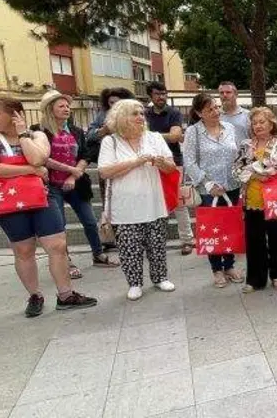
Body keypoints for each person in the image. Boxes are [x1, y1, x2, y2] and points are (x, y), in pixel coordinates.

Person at [0, 96, 98, 317]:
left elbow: (38, 158)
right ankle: (35, 295)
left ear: (15, 114)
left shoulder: (37, 135)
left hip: (42, 197)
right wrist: (30, 171)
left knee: (57, 245)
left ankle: (66, 295)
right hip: (10, 202)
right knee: (24, 250)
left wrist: (23, 134)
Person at [33, 90, 119, 278]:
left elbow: (85, 155)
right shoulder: (38, 131)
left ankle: (98, 254)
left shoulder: (76, 131)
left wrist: (73, 176)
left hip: (76, 184)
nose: (67, 109)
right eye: (61, 106)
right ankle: (66, 262)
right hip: (50, 186)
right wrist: (71, 170)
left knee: (89, 221)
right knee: (59, 225)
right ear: (50, 109)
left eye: (67, 106)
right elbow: (42, 158)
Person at [98, 99, 177, 301]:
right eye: (135, 114)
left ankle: (160, 278)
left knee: (157, 244)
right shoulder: (111, 141)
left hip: (154, 202)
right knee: (129, 248)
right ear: (121, 117)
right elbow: (105, 171)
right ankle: (134, 283)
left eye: (142, 113)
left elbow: (171, 166)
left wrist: (160, 162)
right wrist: (137, 161)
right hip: (125, 207)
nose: (141, 117)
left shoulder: (154, 138)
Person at [183, 93, 245, 288]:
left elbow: (237, 155)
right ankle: (216, 269)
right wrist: (207, 183)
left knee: (229, 226)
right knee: (213, 228)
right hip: (208, 190)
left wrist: (240, 173)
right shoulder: (193, 132)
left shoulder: (230, 127)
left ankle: (229, 265)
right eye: (210, 109)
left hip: (232, 185)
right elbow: (190, 162)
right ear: (199, 113)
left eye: (217, 107)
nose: (216, 111)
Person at [233, 107, 277, 292]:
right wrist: (256, 175)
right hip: (252, 199)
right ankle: (255, 279)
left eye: (262, 122)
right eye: (254, 122)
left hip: (275, 199)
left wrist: (250, 169)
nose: (258, 126)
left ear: (271, 124)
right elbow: (235, 169)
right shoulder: (245, 145)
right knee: (254, 241)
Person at [144, 81, 195, 256]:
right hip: (149, 163)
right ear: (150, 95)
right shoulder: (144, 114)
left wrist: (150, 136)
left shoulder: (173, 113)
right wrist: (161, 137)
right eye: (158, 94)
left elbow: (175, 136)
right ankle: (154, 242)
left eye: (164, 93)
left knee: (179, 203)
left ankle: (187, 241)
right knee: (153, 202)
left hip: (174, 162)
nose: (162, 97)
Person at [86, 87, 135, 249]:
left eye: (118, 102)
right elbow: (90, 135)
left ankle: (133, 235)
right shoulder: (102, 116)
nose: (114, 105)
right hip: (108, 164)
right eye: (111, 102)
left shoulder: (134, 114)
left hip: (130, 164)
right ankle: (111, 235)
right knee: (108, 200)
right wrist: (103, 131)